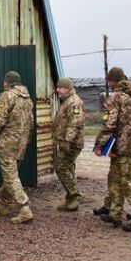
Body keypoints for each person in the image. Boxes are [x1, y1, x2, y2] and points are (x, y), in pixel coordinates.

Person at [93, 67, 131, 232]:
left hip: (121, 147)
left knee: (129, 183)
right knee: (115, 179)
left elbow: (109, 124)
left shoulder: (115, 98)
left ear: (112, 81)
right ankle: (115, 214)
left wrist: (99, 145)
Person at [0, 71, 36, 224]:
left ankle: (24, 208)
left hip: (8, 143)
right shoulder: (27, 99)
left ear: (7, 82)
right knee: (10, 174)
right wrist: (26, 140)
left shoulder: (6, 96)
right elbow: (31, 123)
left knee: (11, 176)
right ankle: (3, 204)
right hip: (21, 143)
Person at [53, 77, 86, 211]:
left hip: (71, 143)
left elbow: (74, 123)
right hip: (67, 142)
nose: (57, 90)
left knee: (60, 167)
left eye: (60, 87)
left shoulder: (74, 102)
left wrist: (67, 141)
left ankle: (76, 195)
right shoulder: (67, 101)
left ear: (66, 88)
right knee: (69, 169)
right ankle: (70, 200)